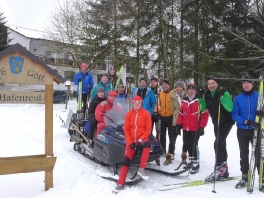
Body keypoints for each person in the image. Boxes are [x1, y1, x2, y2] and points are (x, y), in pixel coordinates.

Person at [112, 95, 152, 193]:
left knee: (147, 145)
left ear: (141, 102)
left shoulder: (146, 114)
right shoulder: (129, 114)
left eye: (138, 102)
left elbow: (148, 130)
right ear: (132, 103)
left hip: (142, 139)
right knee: (126, 161)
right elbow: (126, 130)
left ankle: (141, 169)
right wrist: (130, 143)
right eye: (135, 102)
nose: (137, 104)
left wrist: (140, 140)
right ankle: (120, 183)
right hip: (131, 141)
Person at [231, 74, 263, 189]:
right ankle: (245, 177)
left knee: (259, 154)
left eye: (248, 82)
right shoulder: (238, 98)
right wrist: (245, 121)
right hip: (242, 130)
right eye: (244, 82)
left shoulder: (260, 97)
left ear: (252, 84)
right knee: (244, 154)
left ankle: (262, 178)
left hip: (257, 130)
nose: (246, 84)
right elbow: (234, 114)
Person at [202, 76, 234, 182]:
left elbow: (230, 108)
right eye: (209, 84)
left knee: (217, 144)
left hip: (226, 122)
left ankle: (218, 168)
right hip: (217, 123)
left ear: (217, 84)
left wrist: (222, 98)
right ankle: (224, 168)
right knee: (221, 145)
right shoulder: (207, 94)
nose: (211, 85)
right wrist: (199, 97)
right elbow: (201, 108)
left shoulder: (224, 92)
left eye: (213, 83)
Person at [175, 83, 209, 174]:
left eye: (192, 90)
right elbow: (181, 114)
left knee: (194, 144)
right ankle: (191, 160)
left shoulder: (199, 101)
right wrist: (178, 125)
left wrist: (202, 127)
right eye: (189, 90)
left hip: (195, 127)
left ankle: (196, 162)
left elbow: (204, 114)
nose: (190, 91)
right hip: (186, 127)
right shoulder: (185, 100)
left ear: (195, 91)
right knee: (187, 143)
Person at [154, 79, 174, 165]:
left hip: (171, 116)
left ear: (169, 85)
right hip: (162, 117)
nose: (164, 86)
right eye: (163, 85)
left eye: (166, 84)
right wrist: (155, 112)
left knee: (171, 135)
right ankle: (163, 150)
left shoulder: (173, 93)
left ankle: (171, 152)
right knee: (162, 135)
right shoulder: (160, 94)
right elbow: (157, 104)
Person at [170, 80, 187, 164]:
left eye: (179, 87)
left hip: (187, 118)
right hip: (176, 117)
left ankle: (184, 155)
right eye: (176, 87)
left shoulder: (187, 94)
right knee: (172, 137)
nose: (178, 88)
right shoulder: (173, 95)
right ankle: (170, 154)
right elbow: (172, 108)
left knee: (186, 139)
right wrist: (177, 114)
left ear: (183, 87)